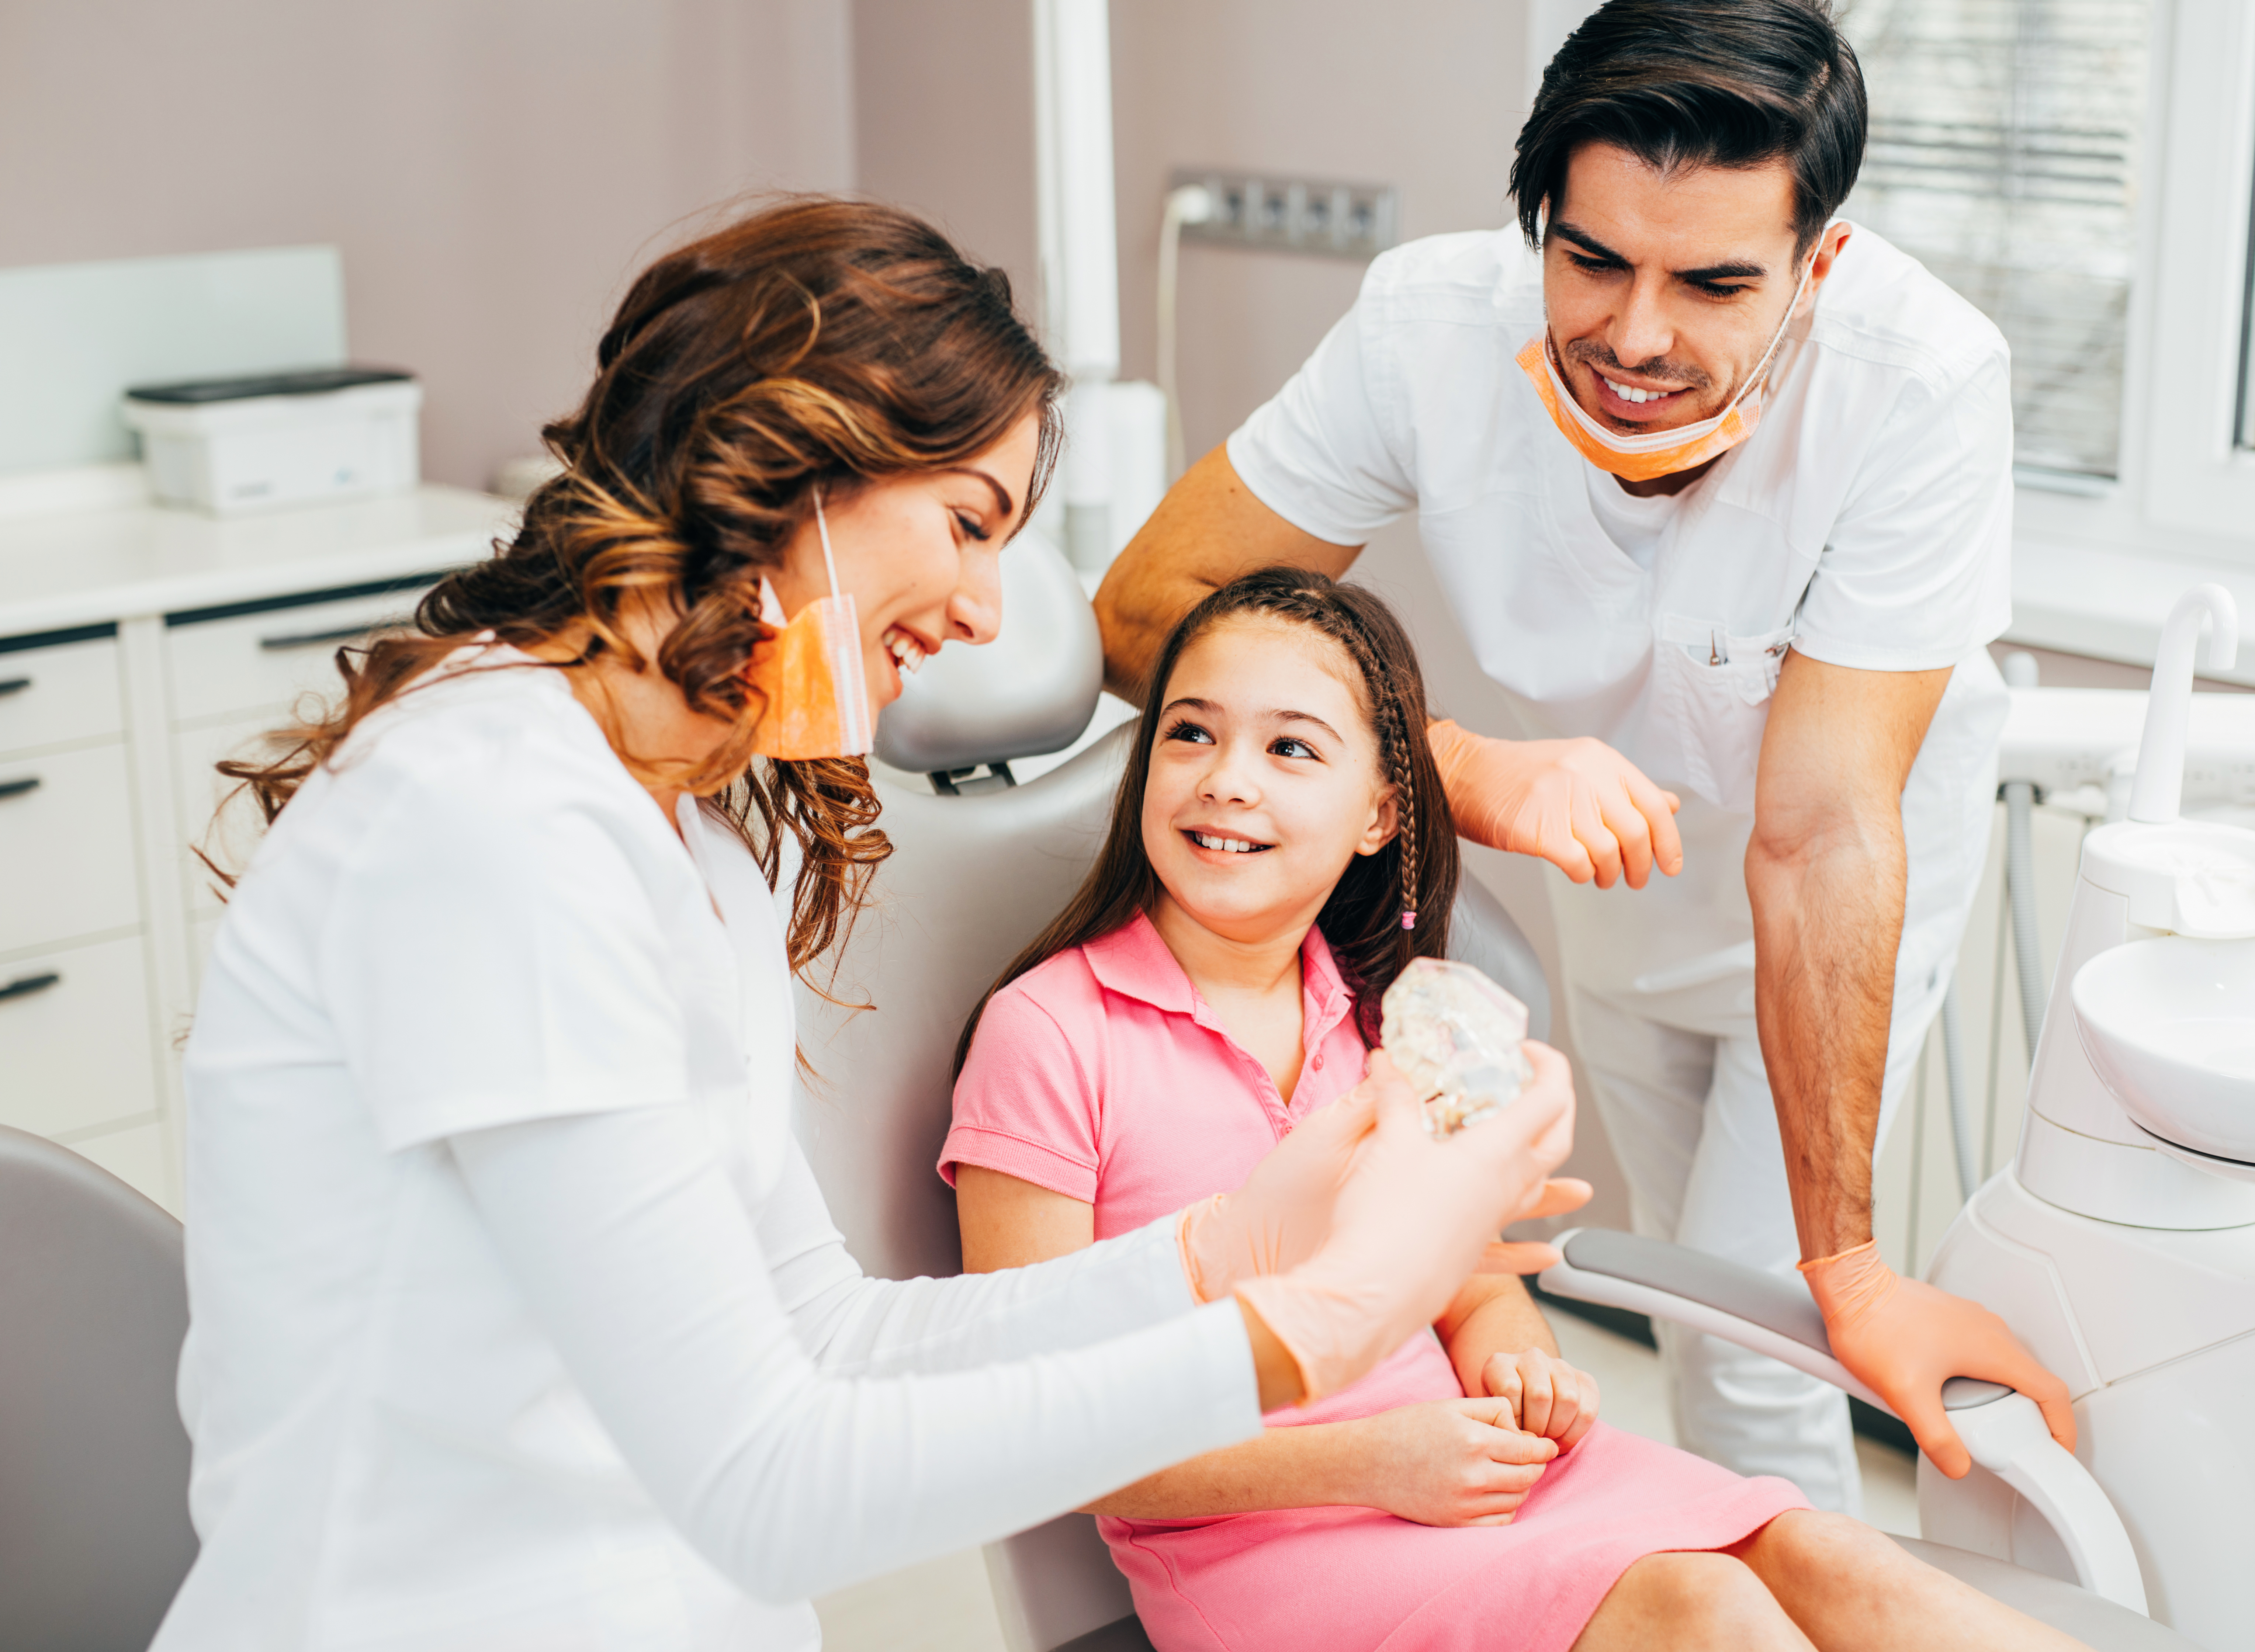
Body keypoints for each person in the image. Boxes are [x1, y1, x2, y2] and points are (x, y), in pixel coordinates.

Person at [157, 198, 1587, 1652]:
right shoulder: (492, 825)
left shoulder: (692, 828)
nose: (984, 611)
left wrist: (1227, 1245)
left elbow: (832, 1335)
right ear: (788, 457)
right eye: (968, 524)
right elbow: (769, 1482)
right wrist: (1320, 1324)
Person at [1094, 0, 2071, 1510]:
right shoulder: (1429, 328)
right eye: (1593, 258)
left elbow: (1816, 833)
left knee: (1770, 1330)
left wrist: (1857, 1268)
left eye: (1714, 282)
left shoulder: (1922, 383)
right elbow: (1150, 605)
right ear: (1538, 220)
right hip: (1606, 866)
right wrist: (1463, 769)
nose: (1635, 337)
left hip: (1844, 882)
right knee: (1678, 1302)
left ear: (1822, 265)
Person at [945, 568, 2088, 1652]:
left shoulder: (1394, 1025)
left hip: (1465, 1473)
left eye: (1291, 747)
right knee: (1701, 1608)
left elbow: (1475, 1288)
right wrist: (1369, 1462)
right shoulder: (1051, 1033)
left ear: (1382, 815)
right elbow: (1038, 1435)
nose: (1227, 777)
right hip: (1267, 1542)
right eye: (1189, 732)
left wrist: (1518, 1368)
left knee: (1831, 1556)